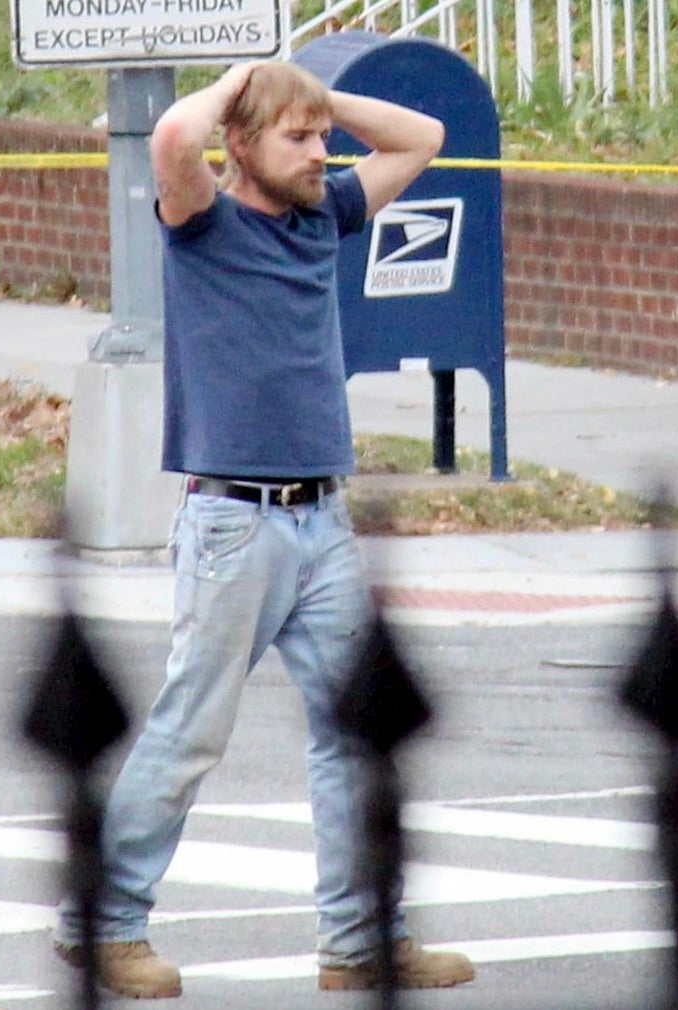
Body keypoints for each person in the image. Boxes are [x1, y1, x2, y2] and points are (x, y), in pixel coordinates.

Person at [52, 60, 473, 997]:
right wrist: (242, 79)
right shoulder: (202, 222)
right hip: (232, 523)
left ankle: (361, 940)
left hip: (322, 520)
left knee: (358, 731)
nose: (323, 152)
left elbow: (423, 139)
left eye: (323, 137)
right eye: (299, 138)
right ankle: (105, 924)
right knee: (191, 730)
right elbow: (170, 140)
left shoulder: (325, 213)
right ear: (240, 146)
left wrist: (313, 92)